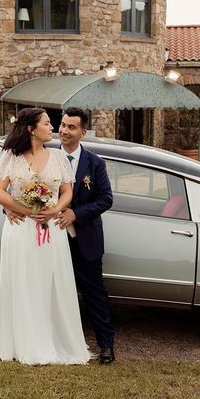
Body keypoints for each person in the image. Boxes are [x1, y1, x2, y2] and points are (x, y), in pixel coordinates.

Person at [0, 107, 90, 365]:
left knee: (50, 283)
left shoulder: (58, 157)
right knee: (24, 283)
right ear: (31, 129)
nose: (52, 127)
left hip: (52, 231)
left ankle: (53, 340)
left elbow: (67, 192)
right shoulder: (11, 156)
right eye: (47, 123)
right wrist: (21, 209)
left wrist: (55, 209)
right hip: (21, 228)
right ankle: (25, 343)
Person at [55, 107, 116, 364]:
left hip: (86, 239)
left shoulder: (95, 163)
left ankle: (106, 345)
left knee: (94, 293)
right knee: (54, 291)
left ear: (83, 132)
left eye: (71, 127)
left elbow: (106, 199)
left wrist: (76, 214)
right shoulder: (47, 158)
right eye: (62, 125)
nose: (64, 131)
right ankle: (55, 343)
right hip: (53, 239)